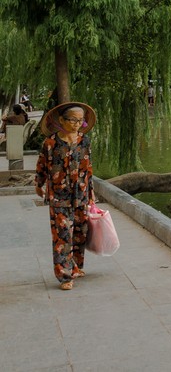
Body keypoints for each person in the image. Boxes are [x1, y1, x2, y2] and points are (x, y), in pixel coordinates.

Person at [34, 102, 98, 291]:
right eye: (73, 120)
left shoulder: (84, 141)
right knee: (62, 235)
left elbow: (88, 167)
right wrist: (39, 184)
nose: (77, 124)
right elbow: (42, 165)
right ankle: (64, 276)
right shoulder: (50, 143)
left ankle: (76, 266)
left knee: (80, 232)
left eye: (81, 121)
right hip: (58, 195)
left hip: (81, 194)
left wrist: (91, 191)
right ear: (61, 120)